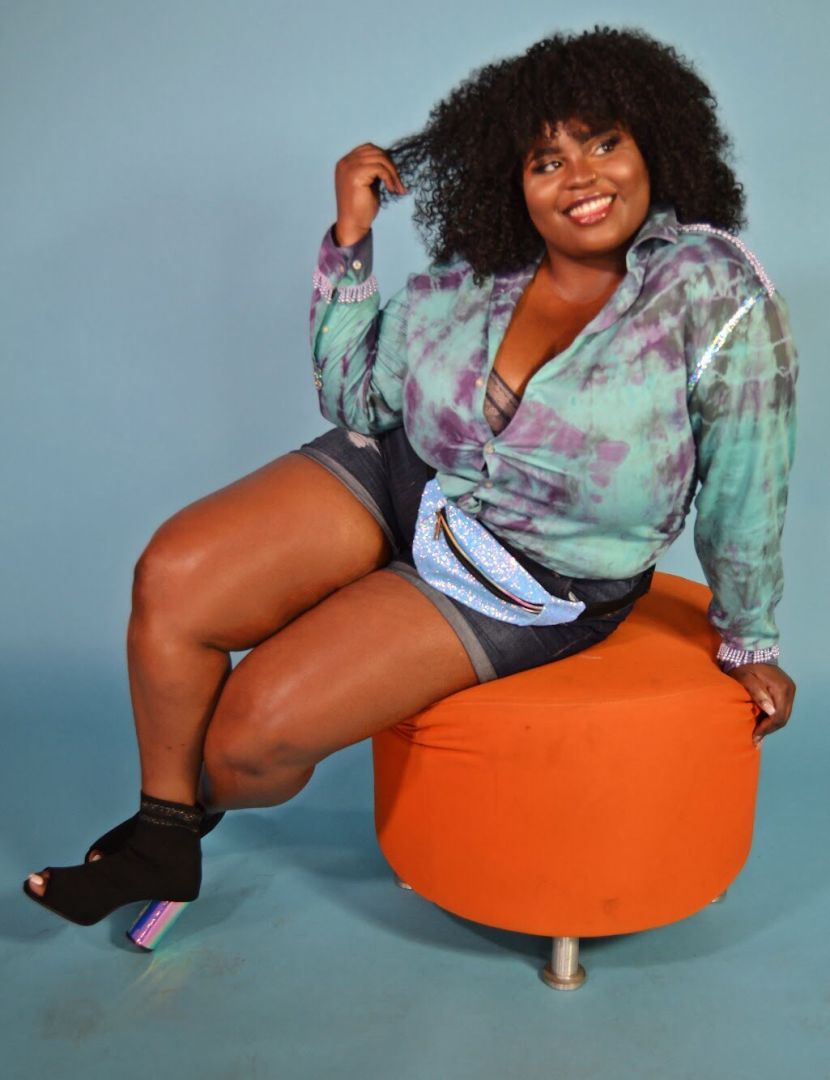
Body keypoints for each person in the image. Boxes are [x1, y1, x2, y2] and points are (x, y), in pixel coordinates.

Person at [24, 26, 797, 934]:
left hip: (527, 574)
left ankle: (179, 821)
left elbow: (748, 478)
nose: (580, 177)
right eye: (547, 160)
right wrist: (351, 241)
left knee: (250, 737)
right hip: (404, 476)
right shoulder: (475, 272)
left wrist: (749, 638)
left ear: (653, 145)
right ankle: (162, 834)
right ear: (513, 181)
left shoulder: (713, 291)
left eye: (603, 143)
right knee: (173, 576)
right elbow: (356, 397)